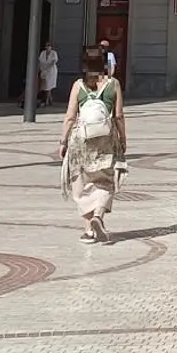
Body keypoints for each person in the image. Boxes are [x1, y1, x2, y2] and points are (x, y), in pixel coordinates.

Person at [58, 46, 125, 244]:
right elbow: (119, 116)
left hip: (81, 140)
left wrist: (63, 141)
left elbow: (70, 117)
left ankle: (88, 231)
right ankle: (98, 216)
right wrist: (123, 139)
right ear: (104, 63)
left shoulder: (78, 85)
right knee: (104, 181)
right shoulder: (114, 84)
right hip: (105, 139)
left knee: (81, 184)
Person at [37, 41, 61, 109]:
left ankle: (47, 101)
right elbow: (39, 61)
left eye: (49, 46)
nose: (47, 47)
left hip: (51, 71)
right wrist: (40, 69)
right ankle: (50, 99)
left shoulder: (54, 53)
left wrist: (47, 67)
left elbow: (53, 61)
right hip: (43, 70)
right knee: (44, 86)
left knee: (49, 86)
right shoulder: (43, 53)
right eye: (46, 46)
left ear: (51, 47)